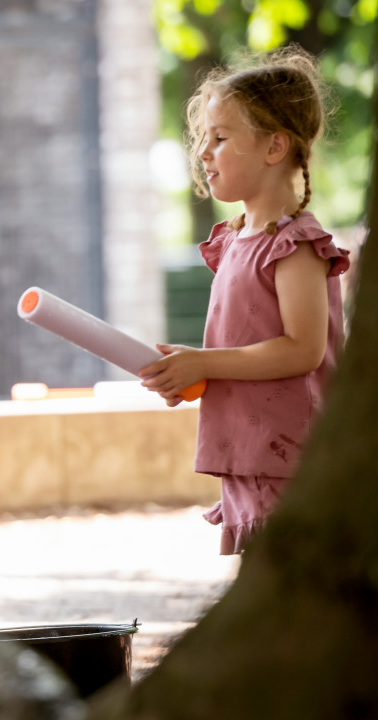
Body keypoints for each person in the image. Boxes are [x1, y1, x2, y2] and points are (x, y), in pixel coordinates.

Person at [139, 47, 350, 555]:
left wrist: (205, 361)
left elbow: (302, 349)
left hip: (289, 455)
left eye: (221, 138)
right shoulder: (235, 240)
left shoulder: (296, 244)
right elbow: (247, 348)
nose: (203, 153)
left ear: (275, 146)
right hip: (249, 452)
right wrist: (195, 372)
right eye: (203, 140)